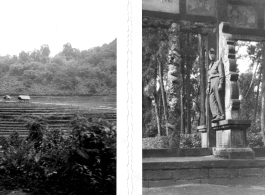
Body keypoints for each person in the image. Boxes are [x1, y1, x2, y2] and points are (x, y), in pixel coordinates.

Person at [206, 48, 225, 123]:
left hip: (216, 80)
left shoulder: (218, 62)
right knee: (211, 100)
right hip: (211, 82)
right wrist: (208, 86)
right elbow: (209, 76)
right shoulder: (210, 66)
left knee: (218, 98)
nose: (211, 56)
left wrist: (221, 83)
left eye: (212, 54)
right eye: (209, 54)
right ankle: (216, 115)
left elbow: (221, 74)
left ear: (215, 54)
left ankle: (222, 115)